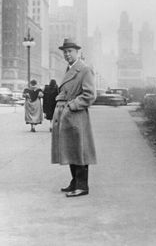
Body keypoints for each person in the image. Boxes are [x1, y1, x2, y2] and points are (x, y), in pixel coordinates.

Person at [51, 38, 97, 197]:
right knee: (70, 149)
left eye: (70, 51)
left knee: (80, 150)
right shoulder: (70, 69)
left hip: (76, 116)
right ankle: (75, 182)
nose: (67, 54)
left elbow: (90, 95)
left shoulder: (84, 69)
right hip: (67, 116)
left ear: (77, 52)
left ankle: (82, 186)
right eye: (64, 51)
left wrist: (71, 106)